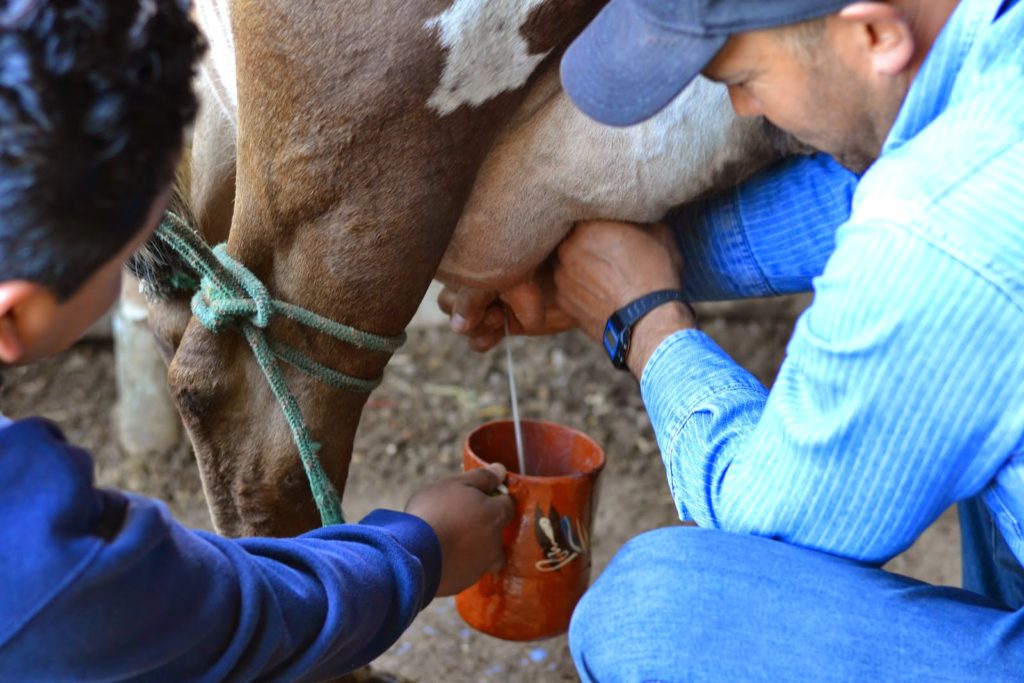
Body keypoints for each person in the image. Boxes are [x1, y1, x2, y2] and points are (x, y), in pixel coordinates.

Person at [442, 0, 1024, 679]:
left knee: (651, 615)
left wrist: (645, 321)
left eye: (746, 78)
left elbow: (771, 522)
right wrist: (596, 273)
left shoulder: (941, 229)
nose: (746, 108)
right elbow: (849, 205)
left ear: (874, 33)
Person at [0, 1, 513, 680]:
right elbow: (229, 619)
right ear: (16, 316)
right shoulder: (46, 563)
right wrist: (420, 550)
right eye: (135, 252)